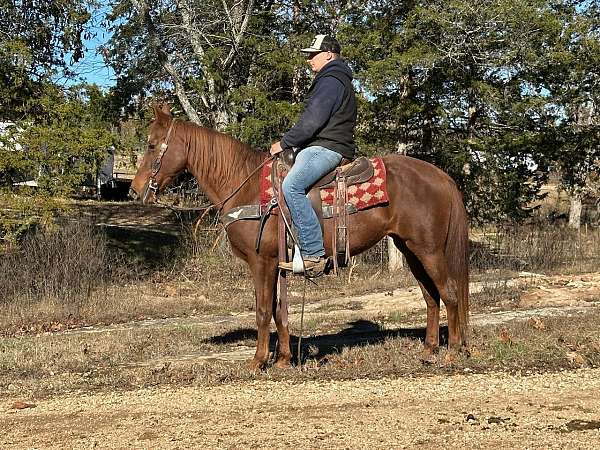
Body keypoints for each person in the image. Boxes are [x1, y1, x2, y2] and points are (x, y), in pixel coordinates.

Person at [271, 34, 357, 272]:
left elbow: (313, 120)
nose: (309, 60)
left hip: (327, 147)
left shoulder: (330, 80)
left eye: (313, 54)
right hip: (325, 145)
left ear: (328, 54)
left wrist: (285, 142)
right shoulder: (336, 79)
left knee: (291, 187)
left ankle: (313, 254)